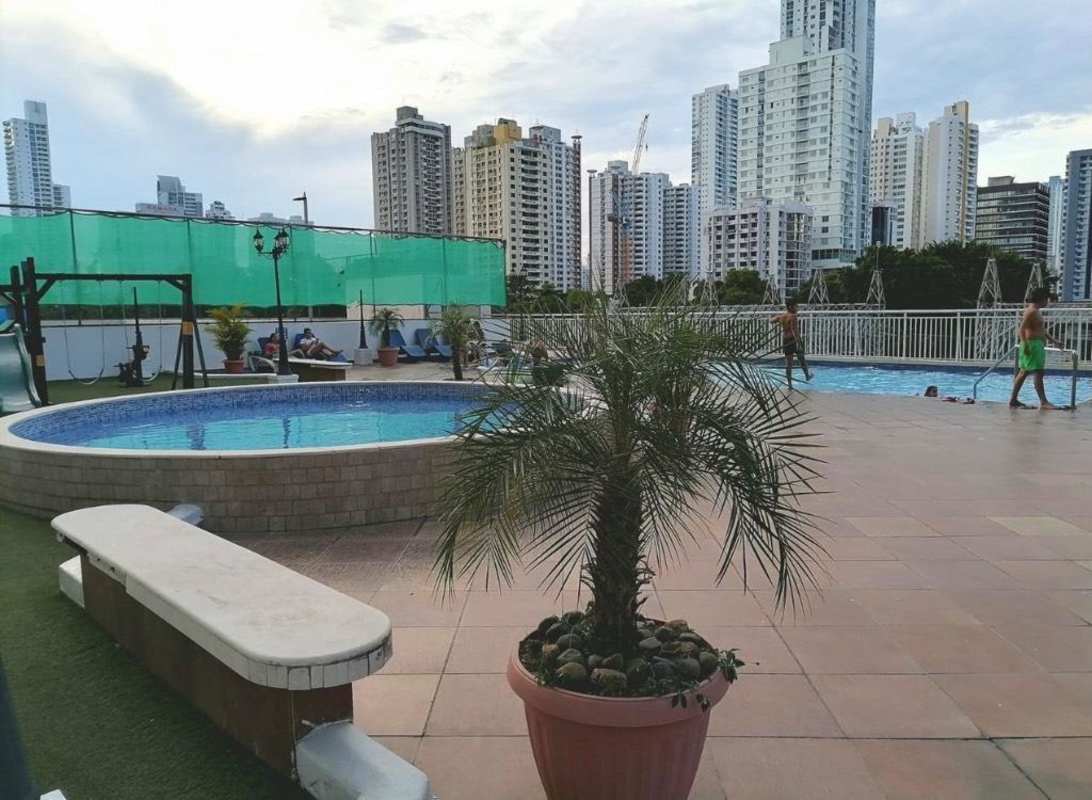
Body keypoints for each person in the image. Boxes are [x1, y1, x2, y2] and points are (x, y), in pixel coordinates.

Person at [1009, 288, 1063, 410]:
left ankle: (1013, 400)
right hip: (1032, 345)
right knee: (1038, 372)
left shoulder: (1036, 311)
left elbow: (1041, 330)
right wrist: (1026, 346)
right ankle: (1043, 402)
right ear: (1042, 298)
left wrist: (1054, 341)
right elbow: (1021, 330)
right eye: (1047, 299)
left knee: (1024, 372)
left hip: (1035, 345)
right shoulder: (1031, 311)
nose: (1048, 302)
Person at [772, 299, 811, 389]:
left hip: (785, 341)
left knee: (788, 364)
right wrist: (799, 343)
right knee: (802, 359)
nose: (797, 308)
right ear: (791, 307)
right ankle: (807, 376)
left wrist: (778, 318)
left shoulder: (782, 316)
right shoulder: (793, 316)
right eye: (796, 306)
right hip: (793, 340)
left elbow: (771, 320)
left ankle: (789, 385)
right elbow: (794, 330)